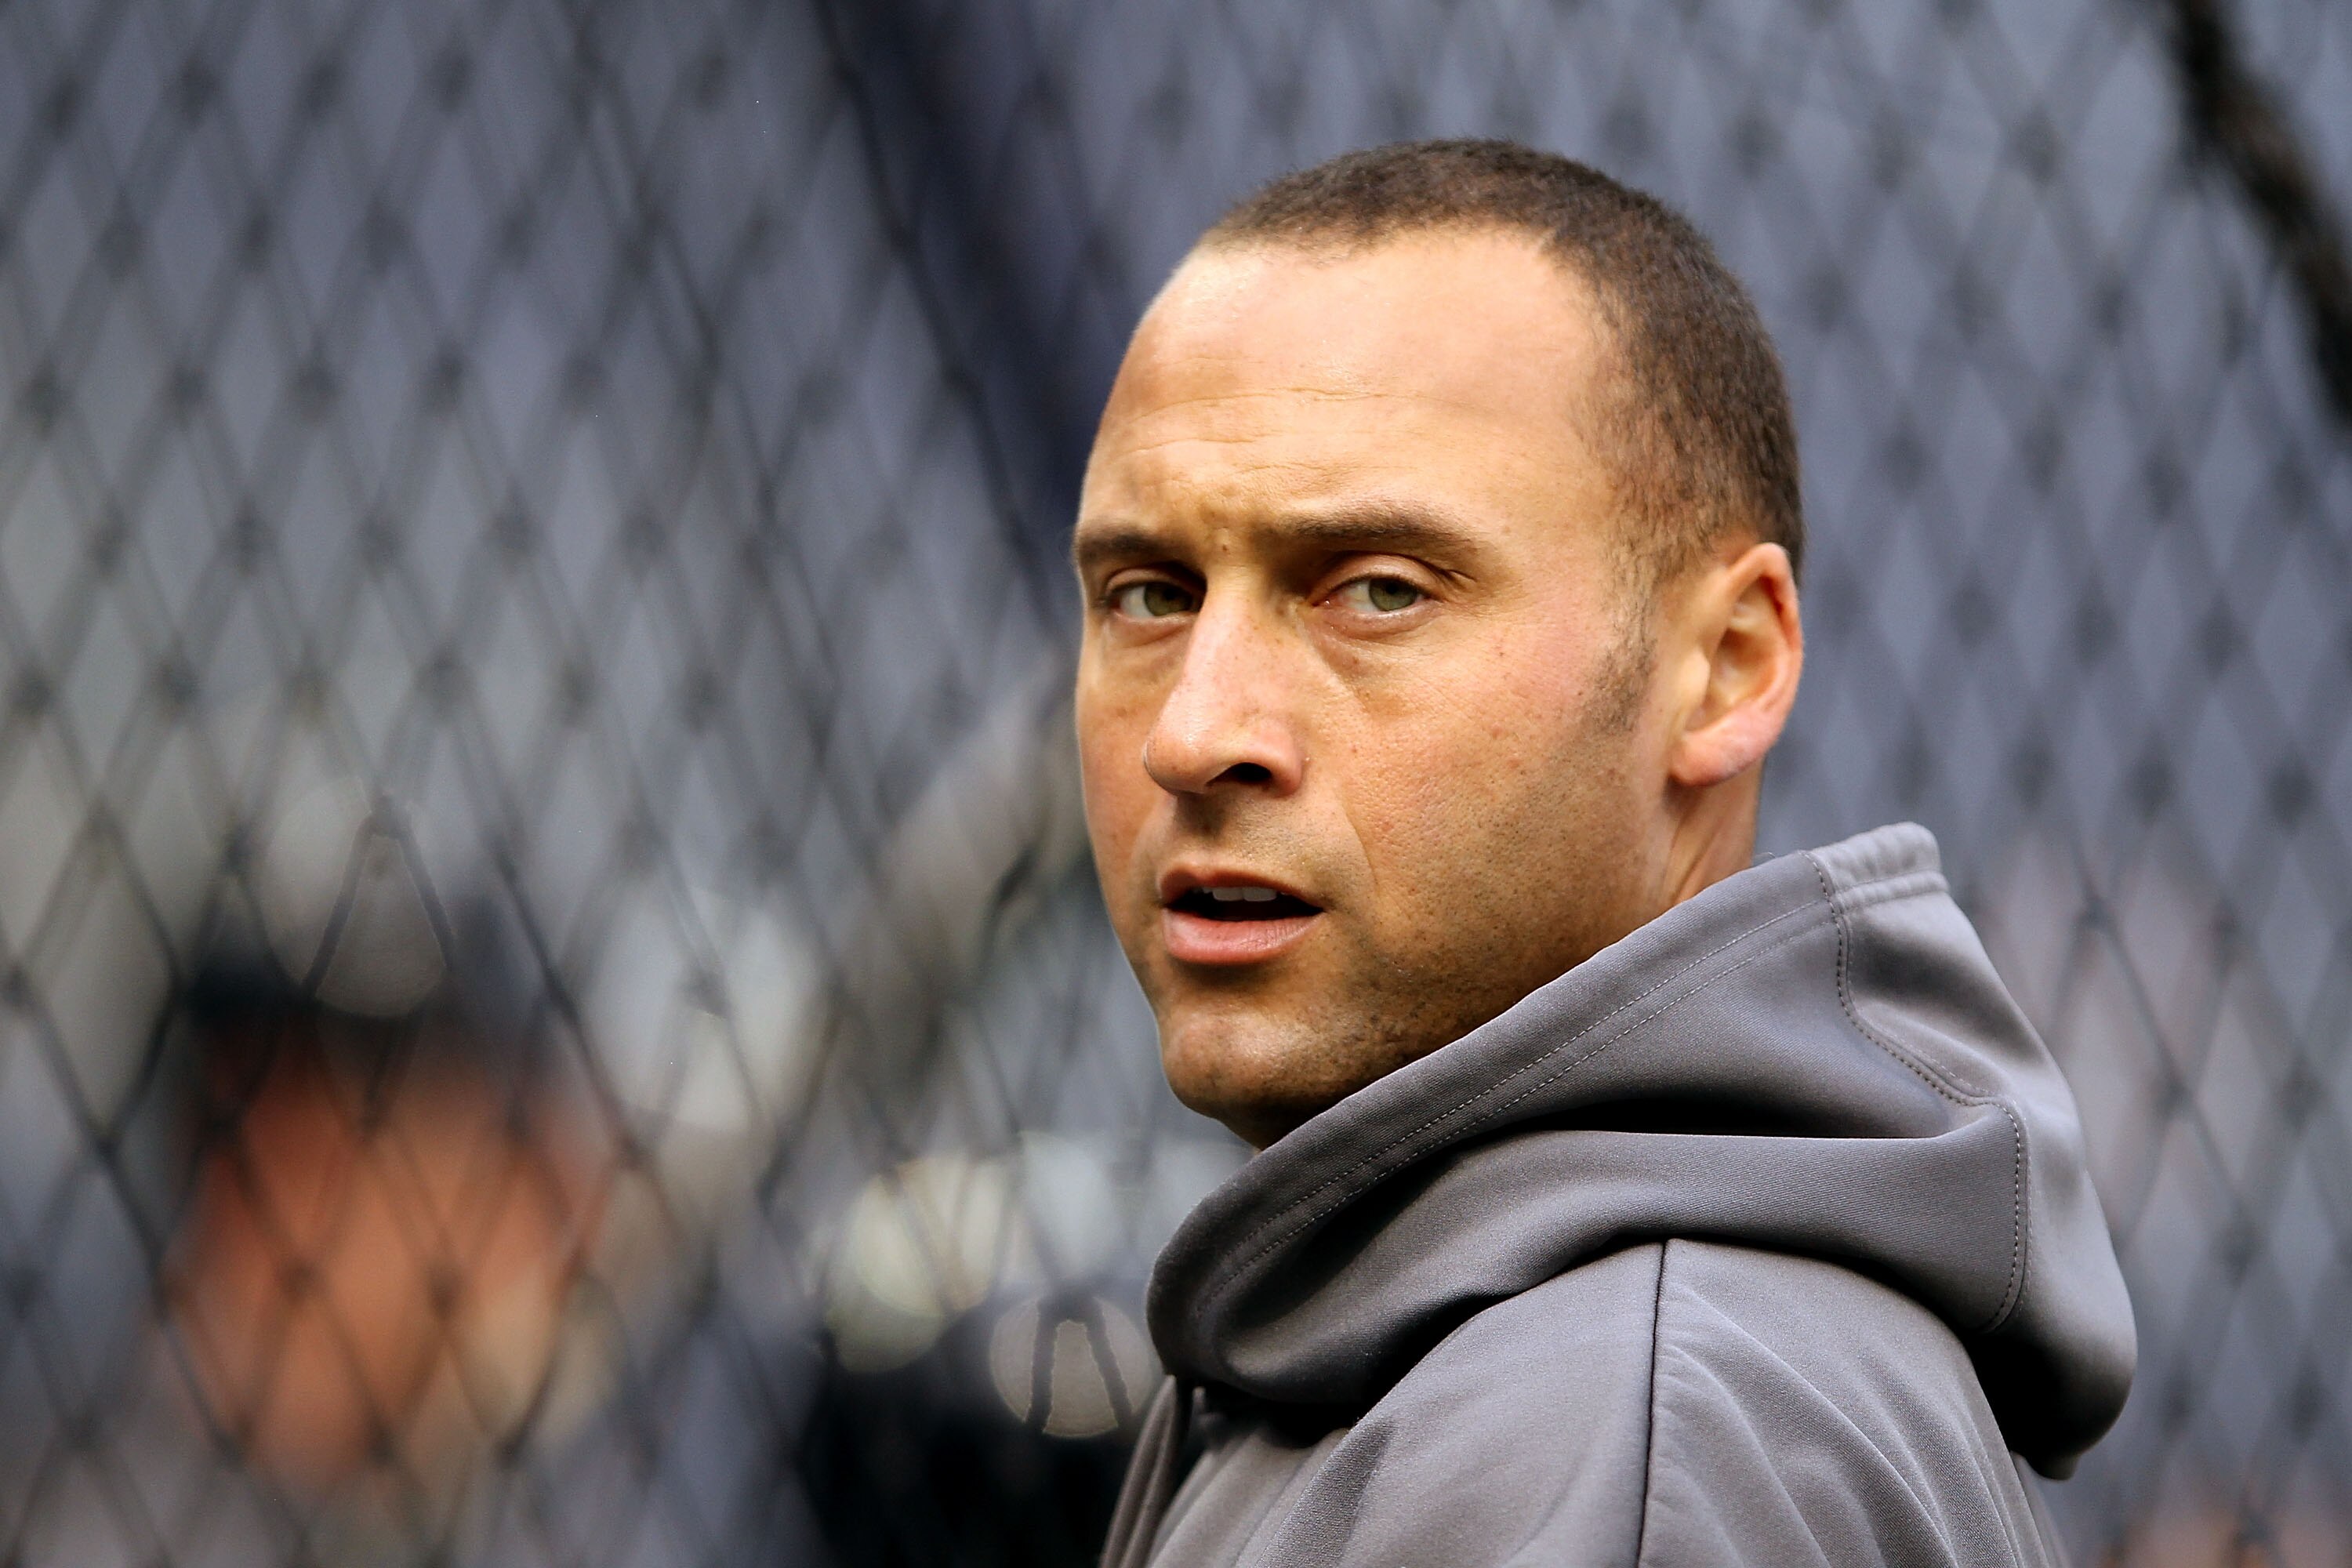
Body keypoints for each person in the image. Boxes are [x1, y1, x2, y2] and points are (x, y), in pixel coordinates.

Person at [1073, 140, 2133, 1567]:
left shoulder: (1629, 1440)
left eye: (1377, 592)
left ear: (1727, 667)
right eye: (1149, 595)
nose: (1195, 734)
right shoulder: (1502, 1355)